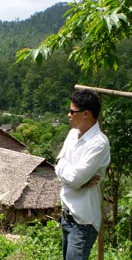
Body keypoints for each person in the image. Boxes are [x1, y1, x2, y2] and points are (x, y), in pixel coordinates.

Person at [55, 89, 110, 260]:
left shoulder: (99, 143)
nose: (68, 115)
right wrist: (69, 173)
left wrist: (70, 175)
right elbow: (58, 162)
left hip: (83, 222)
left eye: (72, 111)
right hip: (66, 216)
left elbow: (74, 178)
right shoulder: (72, 135)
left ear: (86, 114)